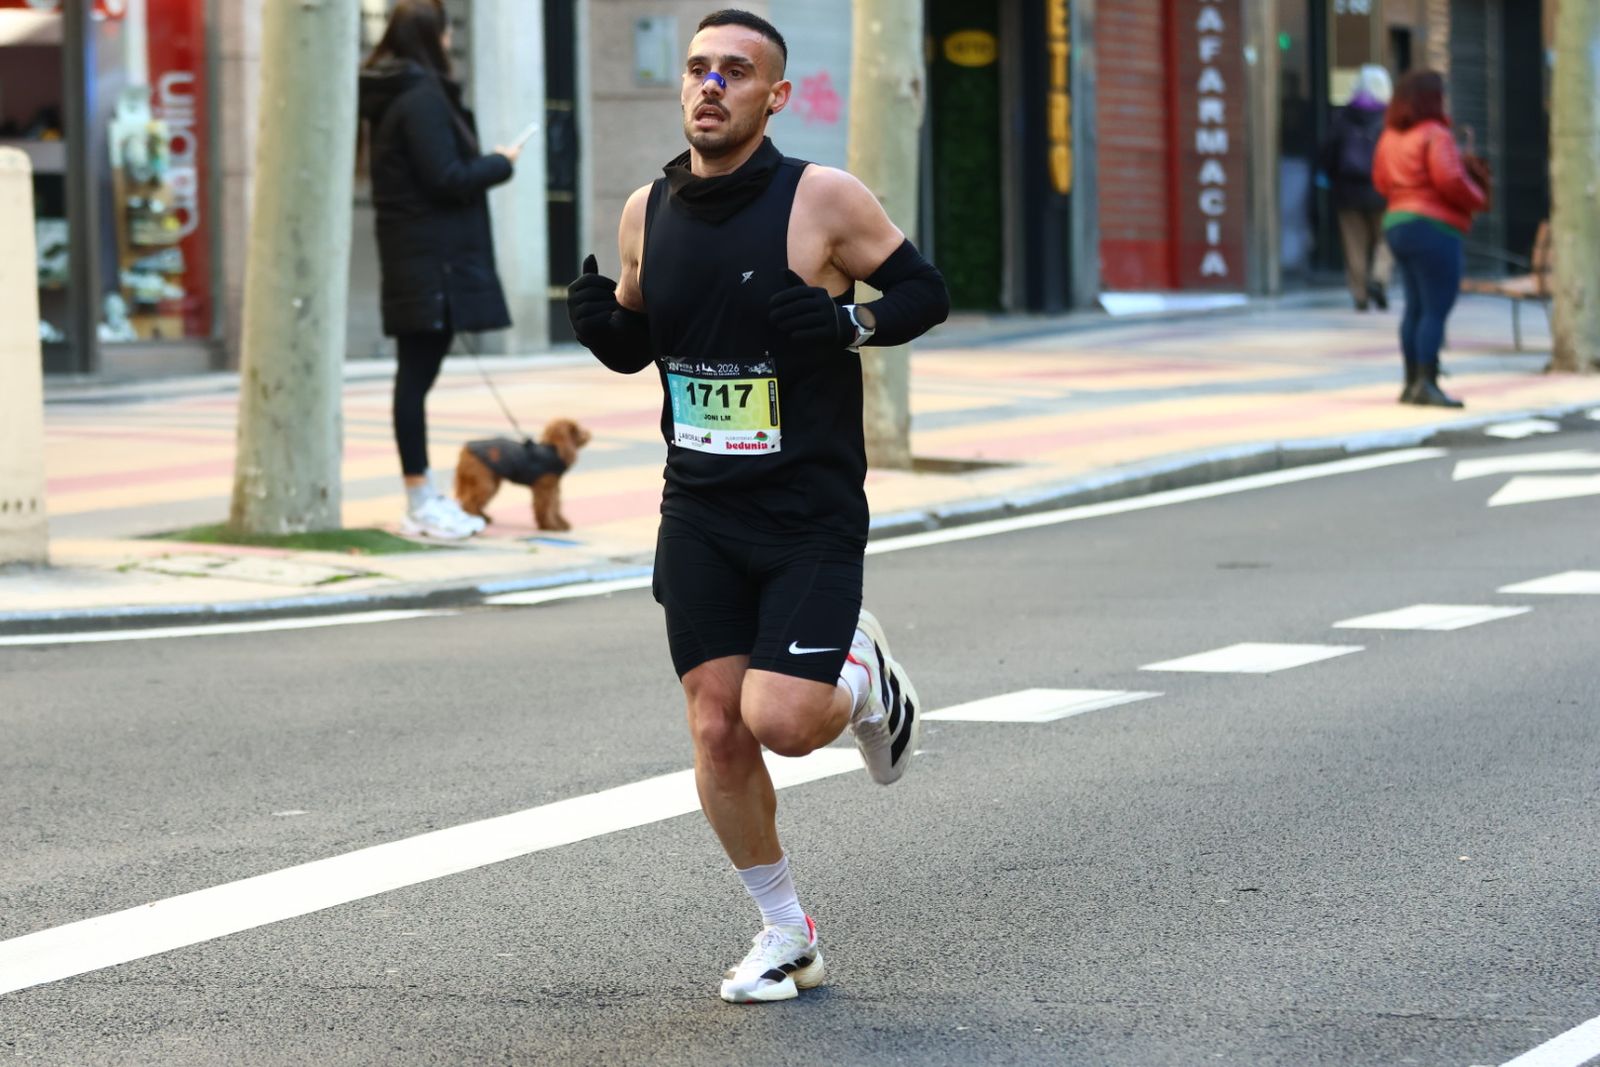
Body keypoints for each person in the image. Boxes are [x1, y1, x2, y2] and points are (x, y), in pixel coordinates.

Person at [565, 9, 949, 1004]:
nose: (710, 84)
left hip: (807, 507)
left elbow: (922, 292)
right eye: (698, 67)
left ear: (773, 95)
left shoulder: (819, 197)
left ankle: (863, 677)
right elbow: (643, 329)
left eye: (735, 71)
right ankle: (785, 930)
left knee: (779, 718)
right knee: (715, 728)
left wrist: (842, 320)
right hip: (696, 506)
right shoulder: (647, 207)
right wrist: (605, 327)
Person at [359, 0, 520, 538]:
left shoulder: (397, 94)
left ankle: (422, 495)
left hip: (418, 256)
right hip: (430, 262)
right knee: (414, 380)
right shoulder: (420, 97)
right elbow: (445, 177)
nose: (450, 42)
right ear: (433, 36)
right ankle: (420, 499)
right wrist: (501, 163)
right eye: (447, 33)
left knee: (415, 378)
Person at [1372, 69, 1488, 407]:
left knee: (1415, 307)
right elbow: (1450, 179)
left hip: (1397, 224)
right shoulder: (1435, 135)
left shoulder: (1389, 137)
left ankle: (1411, 383)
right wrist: (1477, 199)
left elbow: (1380, 182)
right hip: (1434, 227)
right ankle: (1428, 382)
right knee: (1435, 307)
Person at [1320, 65, 1394, 311]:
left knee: (1354, 245)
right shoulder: (1391, 118)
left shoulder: (1343, 116)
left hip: (1348, 191)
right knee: (1387, 238)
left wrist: (1330, 178)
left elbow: (1329, 153)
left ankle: (1360, 295)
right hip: (1383, 191)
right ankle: (1379, 278)